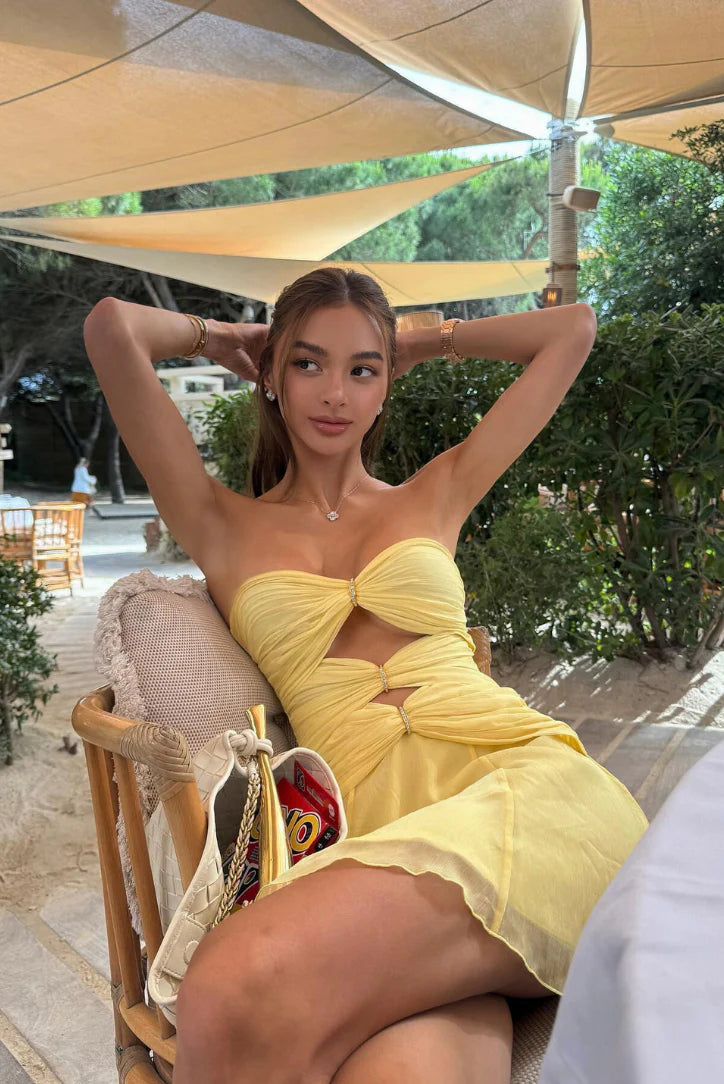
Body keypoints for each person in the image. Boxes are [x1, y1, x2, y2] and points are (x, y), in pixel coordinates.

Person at [83, 269, 649, 1084]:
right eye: (308, 363)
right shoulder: (219, 521)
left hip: (530, 793)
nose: (335, 393)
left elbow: (573, 329)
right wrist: (230, 339)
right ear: (273, 376)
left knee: (235, 982)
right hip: (376, 834)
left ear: (386, 386)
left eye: (362, 369)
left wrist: (419, 342)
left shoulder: (437, 492)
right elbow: (112, 328)